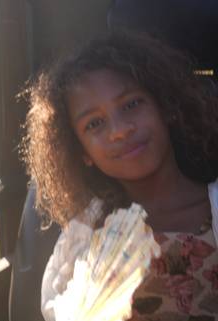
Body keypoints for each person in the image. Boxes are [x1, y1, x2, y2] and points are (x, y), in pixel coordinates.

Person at [21, 31, 218, 320]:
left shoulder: (210, 209)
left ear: (166, 107)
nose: (120, 130)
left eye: (131, 105)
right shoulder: (84, 238)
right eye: (95, 124)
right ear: (82, 152)